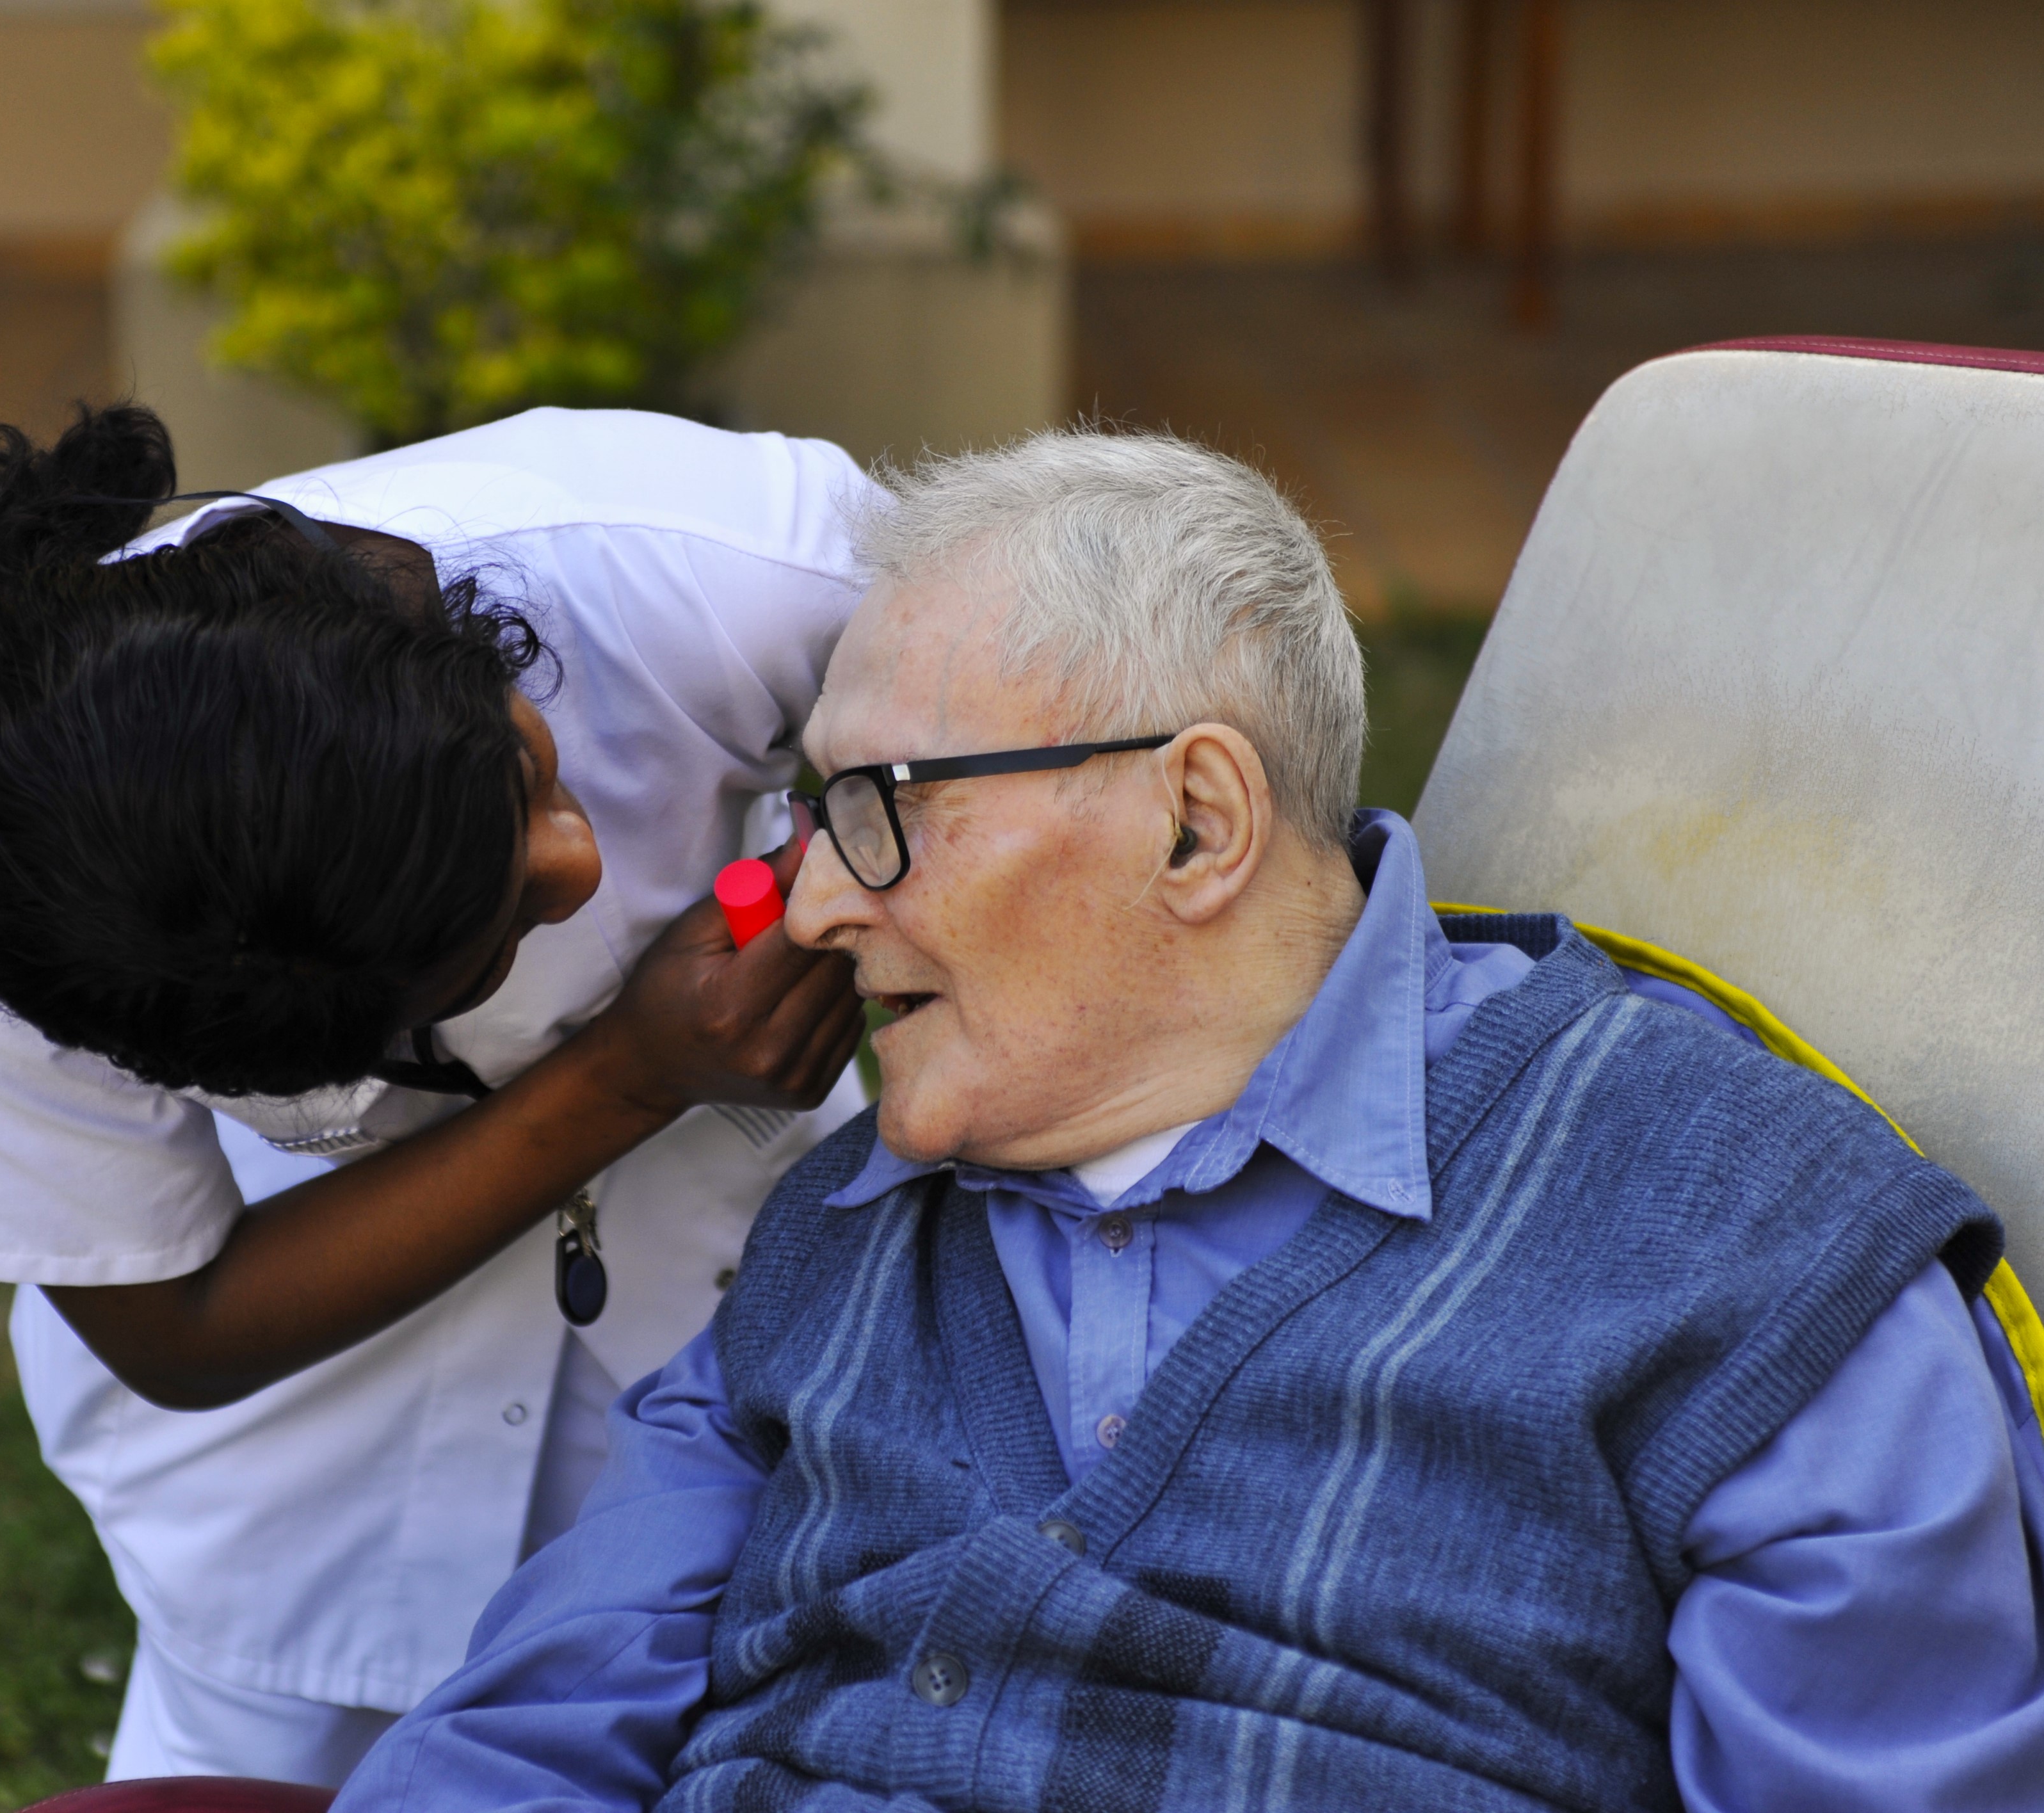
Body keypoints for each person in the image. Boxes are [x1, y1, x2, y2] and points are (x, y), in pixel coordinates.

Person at [333, 428, 2044, 1811]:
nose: (812, 907)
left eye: (873, 809)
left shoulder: (1748, 1245)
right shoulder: (828, 1247)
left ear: (1195, 822)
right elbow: (509, 1750)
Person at [0, 403, 878, 1784]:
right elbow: (179, 1328)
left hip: (720, 1323)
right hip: (299, 1480)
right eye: (494, 943)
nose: (579, 864)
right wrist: (629, 1072)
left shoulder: (712, 561)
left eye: (525, 774)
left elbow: (1072, 746)